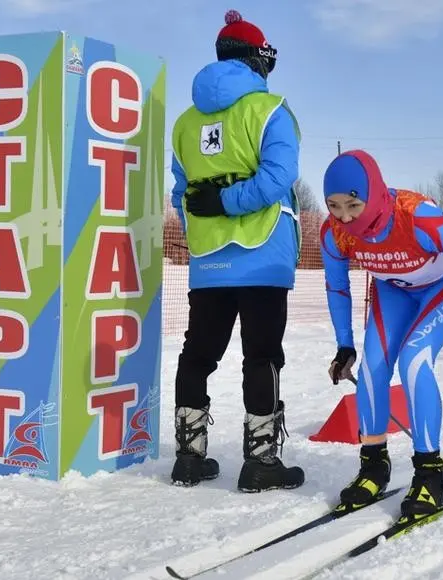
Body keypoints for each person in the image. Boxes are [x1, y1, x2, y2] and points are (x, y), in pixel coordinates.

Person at [320, 149, 443, 519]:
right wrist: (344, 344)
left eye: (353, 204)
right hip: (393, 292)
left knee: (413, 360)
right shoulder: (335, 233)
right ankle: (373, 466)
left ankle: (429, 472)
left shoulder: (416, 217)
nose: (345, 216)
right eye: (334, 205)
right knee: (372, 367)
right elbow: (337, 286)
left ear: (373, 193)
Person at [168, 9, 304, 492]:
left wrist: (202, 228)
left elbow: (180, 193)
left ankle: (189, 456)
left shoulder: (185, 123)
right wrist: (230, 200)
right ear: (256, 59)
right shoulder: (269, 110)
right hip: (263, 251)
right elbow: (277, 178)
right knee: (262, 353)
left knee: (198, 352)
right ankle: (261, 460)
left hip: (210, 261)